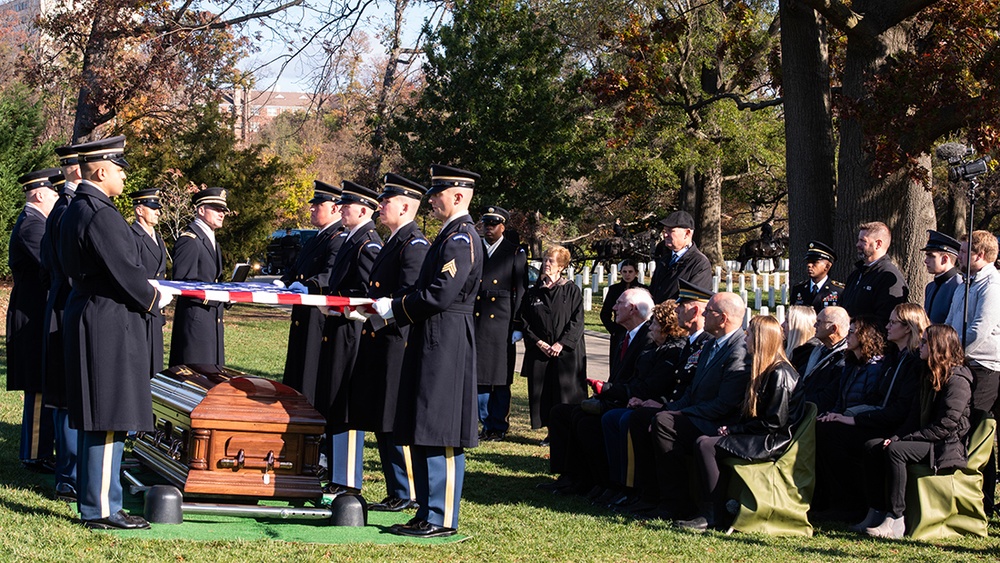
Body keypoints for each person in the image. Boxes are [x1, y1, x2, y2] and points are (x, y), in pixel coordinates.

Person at [59, 135, 171, 529]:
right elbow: (125, 269)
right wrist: (155, 299)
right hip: (107, 318)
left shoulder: (78, 208)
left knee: (99, 414)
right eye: (120, 168)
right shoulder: (100, 213)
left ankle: (98, 503)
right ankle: (103, 508)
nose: (124, 175)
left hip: (91, 311)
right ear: (102, 170)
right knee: (109, 413)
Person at [371, 164, 483, 538]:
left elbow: (441, 294)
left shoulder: (461, 237)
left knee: (441, 427)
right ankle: (426, 511)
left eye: (437, 194)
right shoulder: (449, 235)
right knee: (423, 423)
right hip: (432, 334)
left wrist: (398, 306)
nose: (431, 200)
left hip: (447, 337)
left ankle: (442, 516)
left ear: (457, 196)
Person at [348, 173, 429, 512]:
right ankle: (397, 488)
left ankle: (407, 489)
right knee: (382, 417)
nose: (381, 206)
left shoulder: (414, 244)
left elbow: (409, 295)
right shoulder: (394, 240)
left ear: (406, 206)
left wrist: (382, 311)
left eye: (387, 201)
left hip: (397, 340)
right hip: (379, 336)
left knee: (393, 417)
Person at [677, 315, 802, 531]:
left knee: (706, 445)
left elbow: (774, 423)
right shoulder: (765, 370)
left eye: (750, 335)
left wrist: (735, 429)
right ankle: (709, 508)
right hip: (760, 433)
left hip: (771, 441)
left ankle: (712, 514)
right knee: (705, 440)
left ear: (762, 339)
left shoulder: (780, 374)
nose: (746, 340)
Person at [859, 324, 972, 539]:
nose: (919, 346)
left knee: (897, 451)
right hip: (927, 438)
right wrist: (896, 436)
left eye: (924, 343)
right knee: (873, 446)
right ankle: (876, 510)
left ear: (938, 346)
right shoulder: (927, 374)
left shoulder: (958, 379)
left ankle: (896, 518)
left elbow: (947, 424)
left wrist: (906, 439)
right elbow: (913, 417)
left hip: (946, 445)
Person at [814, 304, 928, 517]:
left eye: (893, 322)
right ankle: (831, 499)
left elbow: (900, 408)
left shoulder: (912, 363)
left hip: (892, 426)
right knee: (825, 429)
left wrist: (855, 420)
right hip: (878, 418)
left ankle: (848, 504)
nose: (887, 326)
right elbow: (877, 398)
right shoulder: (894, 358)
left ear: (907, 328)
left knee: (833, 435)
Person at [542, 287, 654, 502]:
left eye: (619, 303)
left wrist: (608, 390)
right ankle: (569, 475)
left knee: (585, 420)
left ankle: (599, 480)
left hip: (627, 400)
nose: (613, 307)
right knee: (560, 413)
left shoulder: (647, 338)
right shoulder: (625, 335)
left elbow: (638, 382)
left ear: (632, 309)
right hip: (613, 395)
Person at [649, 292, 750, 520]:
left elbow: (725, 404)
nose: (703, 313)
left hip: (721, 423)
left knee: (665, 423)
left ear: (723, 318)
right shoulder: (712, 344)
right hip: (701, 414)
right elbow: (692, 392)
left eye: (709, 311)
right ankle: (653, 495)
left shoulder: (739, 351)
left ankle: (676, 502)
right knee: (656, 417)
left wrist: (680, 413)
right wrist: (670, 409)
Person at [318, 180, 383, 497]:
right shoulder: (351, 239)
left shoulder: (368, 243)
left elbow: (372, 292)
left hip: (352, 332)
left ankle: (348, 478)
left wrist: (351, 310)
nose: (341, 209)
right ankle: (337, 473)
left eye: (347, 205)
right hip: (337, 330)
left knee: (346, 403)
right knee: (334, 400)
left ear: (363, 209)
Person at [7, 168, 60, 473]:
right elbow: (50, 265)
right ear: (39, 194)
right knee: (37, 387)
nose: (56, 197)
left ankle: (39, 451)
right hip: (32, 315)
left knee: (41, 382)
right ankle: (34, 453)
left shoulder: (37, 223)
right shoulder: (33, 226)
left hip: (36, 312)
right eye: (53, 193)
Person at [275, 180, 346, 405]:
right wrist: (283, 282)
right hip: (303, 315)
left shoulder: (338, 238)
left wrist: (309, 287)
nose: (312, 208)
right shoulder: (317, 237)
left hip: (318, 316)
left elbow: (331, 274)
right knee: (297, 374)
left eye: (318, 205)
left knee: (310, 374)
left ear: (335, 208)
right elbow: (296, 269)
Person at [945, 230, 1000, 515]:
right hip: (962, 363)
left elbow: (980, 329)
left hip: (985, 367)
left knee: (978, 432)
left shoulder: (992, 285)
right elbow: (952, 322)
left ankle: (984, 501)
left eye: (964, 252)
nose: (959, 256)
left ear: (979, 255)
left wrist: (952, 354)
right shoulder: (965, 283)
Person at [41, 146, 82, 502]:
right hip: (68, 304)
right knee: (67, 395)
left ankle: (68, 471)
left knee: (64, 393)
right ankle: (68, 474)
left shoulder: (60, 209)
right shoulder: (68, 210)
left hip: (62, 302)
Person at [517, 244, 588, 433]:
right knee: (544, 393)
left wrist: (561, 343)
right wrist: (538, 342)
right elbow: (525, 321)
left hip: (565, 353)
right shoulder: (533, 293)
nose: (546, 264)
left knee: (564, 394)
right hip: (541, 352)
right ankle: (549, 431)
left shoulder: (571, 290)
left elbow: (577, 320)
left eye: (551, 261)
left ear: (561, 266)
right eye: (545, 260)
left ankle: (566, 430)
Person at [474, 205, 528, 442]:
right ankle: (485, 422)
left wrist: (517, 324)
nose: (488, 229)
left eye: (493, 224)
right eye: (486, 224)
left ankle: (499, 424)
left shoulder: (515, 252)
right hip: (477, 317)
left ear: (503, 227)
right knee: (480, 377)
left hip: (502, 319)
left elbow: (521, 290)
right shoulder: (475, 249)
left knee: (501, 378)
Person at [169, 187, 229, 367]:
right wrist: (215, 296)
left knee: (213, 374)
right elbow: (183, 284)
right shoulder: (189, 240)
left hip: (211, 317)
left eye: (223, 210)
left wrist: (227, 295)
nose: (222, 214)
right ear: (201, 210)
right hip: (195, 320)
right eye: (216, 209)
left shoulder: (211, 240)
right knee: (197, 376)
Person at [838, 221, 908, 327]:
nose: (857, 245)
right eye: (858, 240)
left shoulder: (888, 277)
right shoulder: (856, 274)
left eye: (863, 241)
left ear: (878, 244)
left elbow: (885, 321)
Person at [129, 188, 167, 376]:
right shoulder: (132, 236)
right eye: (153, 208)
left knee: (156, 365)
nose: (158, 212)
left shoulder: (157, 238)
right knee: (143, 367)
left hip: (156, 310)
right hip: (141, 309)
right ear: (139, 210)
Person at [647, 210, 712, 304]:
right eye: (665, 230)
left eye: (670, 231)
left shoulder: (699, 263)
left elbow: (693, 302)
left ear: (687, 233)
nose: (665, 235)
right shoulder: (664, 260)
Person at [794, 306, 850, 414]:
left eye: (819, 322)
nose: (814, 325)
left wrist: (796, 403)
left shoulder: (844, 359)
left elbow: (828, 397)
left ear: (833, 329)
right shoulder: (818, 351)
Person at [600, 259, 647, 340]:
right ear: (621, 272)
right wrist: (613, 329)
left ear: (636, 273)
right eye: (624, 272)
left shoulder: (643, 290)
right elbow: (605, 313)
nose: (627, 275)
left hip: (637, 333)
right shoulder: (614, 289)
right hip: (618, 332)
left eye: (630, 272)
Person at [789, 241, 842, 313]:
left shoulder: (838, 291)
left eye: (814, 262)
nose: (809, 265)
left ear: (827, 266)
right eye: (808, 262)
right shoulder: (799, 289)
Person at [921, 230, 962, 323]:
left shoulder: (958, 286)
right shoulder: (930, 287)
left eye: (931, 256)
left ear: (945, 259)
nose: (926, 261)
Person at [783, 305, 818, 372]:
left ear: (800, 327)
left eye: (787, 321)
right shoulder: (783, 346)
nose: (782, 325)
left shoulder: (810, 356)